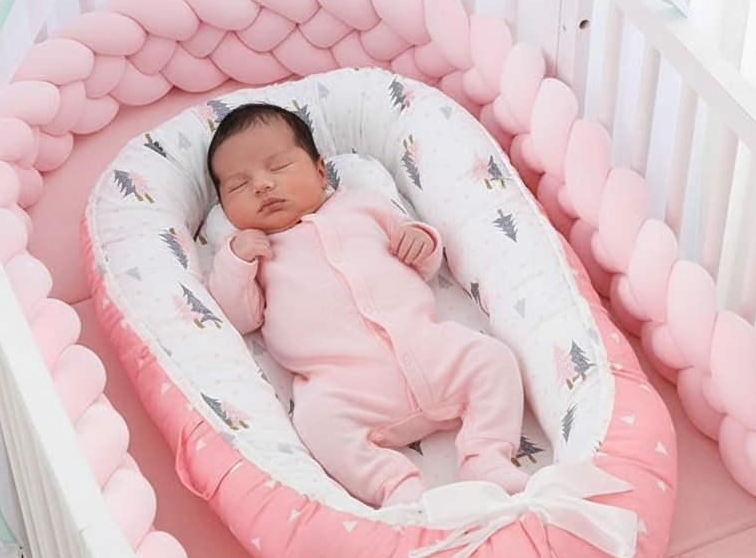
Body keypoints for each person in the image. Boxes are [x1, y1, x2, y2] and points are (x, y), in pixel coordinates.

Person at [205, 102, 529, 508]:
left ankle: (485, 456)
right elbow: (239, 316)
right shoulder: (250, 254)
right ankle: (394, 486)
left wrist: (421, 241)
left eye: (279, 167)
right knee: (315, 420)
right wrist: (235, 262)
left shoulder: (363, 205)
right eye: (238, 186)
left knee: (493, 359)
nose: (262, 185)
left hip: (429, 349)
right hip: (346, 386)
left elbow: (423, 257)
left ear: (320, 172)